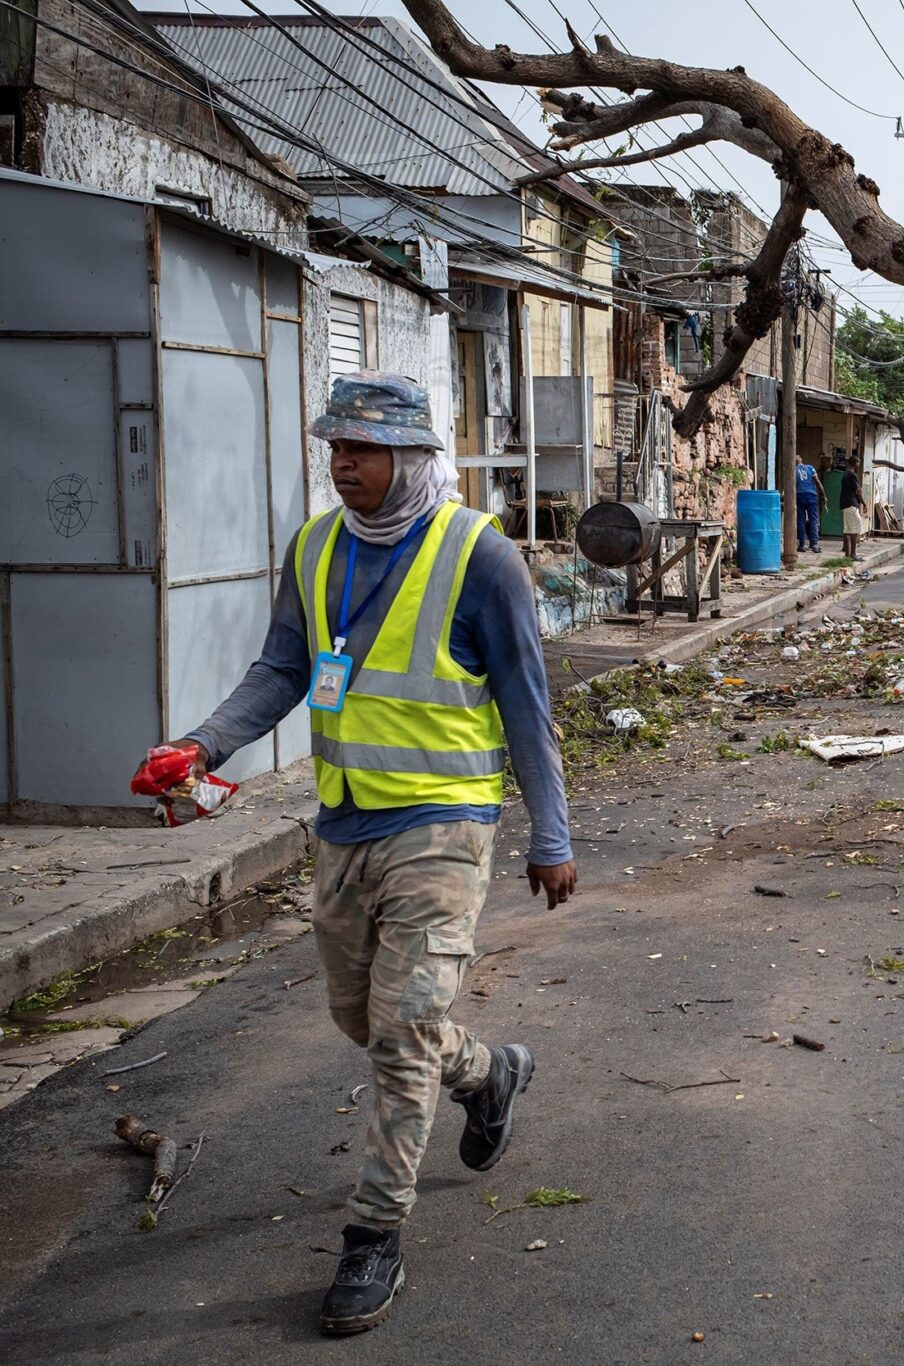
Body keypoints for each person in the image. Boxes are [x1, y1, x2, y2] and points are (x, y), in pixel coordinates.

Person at [159, 373, 574, 1337]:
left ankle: (372, 1239)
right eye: (334, 446)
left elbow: (526, 703)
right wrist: (203, 746)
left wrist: (550, 835)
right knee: (366, 1018)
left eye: (362, 447)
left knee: (400, 1032)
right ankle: (488, 1074)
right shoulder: (314, 548)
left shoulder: (483, 557)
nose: (342, 463)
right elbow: (283, 669)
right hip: (344, 824)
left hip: (446, 825)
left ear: (414, 456)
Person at [836, 457, 868, 560]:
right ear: (855, 463)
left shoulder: (845, 474)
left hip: (845, 504)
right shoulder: (852, 475)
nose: (859, 464)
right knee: (855, 528)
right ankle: (853, 554)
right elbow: (858, 491)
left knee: (847, 529)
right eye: (858, 462)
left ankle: (847, 554)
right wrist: (864, 503)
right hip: (851, 504)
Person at [794, 455, 822, 553]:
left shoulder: (793, 471)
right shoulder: (810, 468)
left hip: (800, 495)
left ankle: (802, 544)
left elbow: (791, 485)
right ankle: (814, 544)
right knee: (813, 520)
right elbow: (817, 482)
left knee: (800, 520)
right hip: (811, 495)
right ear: (801, 460)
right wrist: (823, 495)